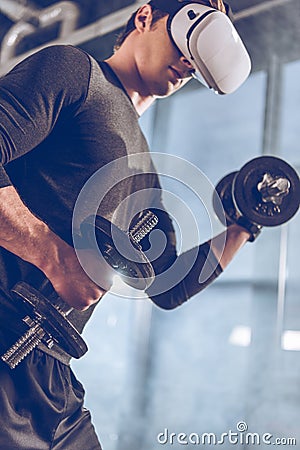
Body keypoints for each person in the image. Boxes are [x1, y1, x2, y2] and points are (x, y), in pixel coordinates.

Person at [0, 0, 255, 448]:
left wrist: (244, 223)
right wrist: (53, 256)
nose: (188, 63)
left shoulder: (147, 177)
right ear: (143, 17)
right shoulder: (75, 73)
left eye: (197, 60)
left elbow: (169, 284)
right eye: (183, 44)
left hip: (49, 375)